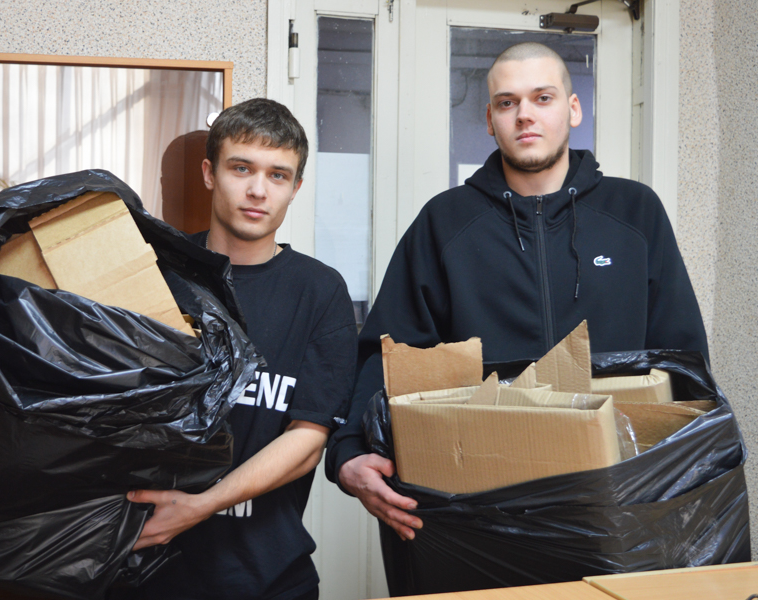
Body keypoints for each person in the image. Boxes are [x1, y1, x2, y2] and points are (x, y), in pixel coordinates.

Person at [325, 42, 709, 541]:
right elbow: (390, 350)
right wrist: (349, 451)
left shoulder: (634, 212)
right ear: (490, 119)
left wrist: (694, 464)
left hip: (617, 494)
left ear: (573, 109)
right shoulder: (445, 222)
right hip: (480, 498)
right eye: (507, 103)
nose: (524, 114)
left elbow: (681, 354)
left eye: (542, 98)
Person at [125, 98, 358, 600]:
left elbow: (307, 440)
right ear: (210, 173)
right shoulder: (156, 275)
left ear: (296, 188)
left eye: (278, 175)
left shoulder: (319, 291)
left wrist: (201, 505)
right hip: (146, 573)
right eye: (241, 168)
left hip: (268, 578)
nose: (258, 190)